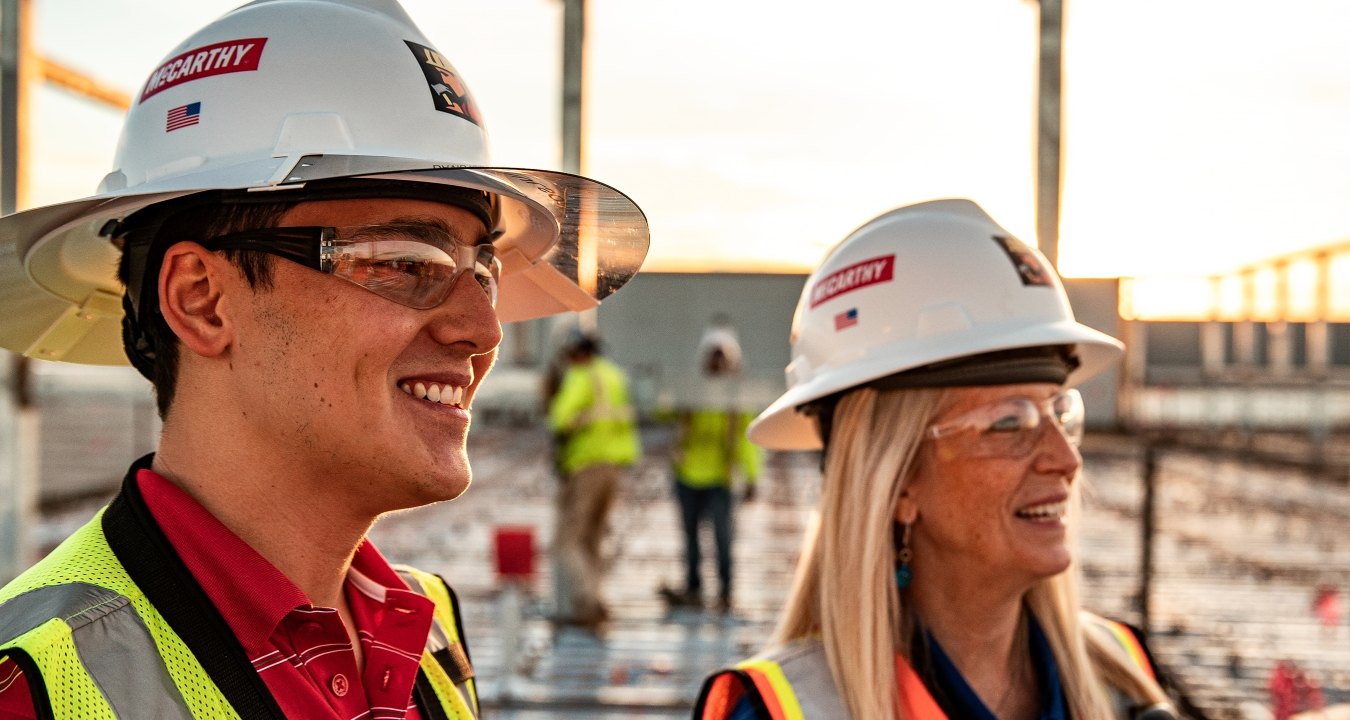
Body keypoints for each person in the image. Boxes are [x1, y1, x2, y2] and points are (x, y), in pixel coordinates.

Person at [0, 1, 648, 717]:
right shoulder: (36, 684)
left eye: (483, 273)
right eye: (407, 262)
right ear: (202, 300)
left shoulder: (425, 633)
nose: (482, 328)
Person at [694, 199, 1176, 719]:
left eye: (1061, 412)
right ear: (897, 483)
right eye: (1009, 422)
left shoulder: (1121, 680)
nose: (1065, 459)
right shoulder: (784, 711)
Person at [659, 321, 762, 612]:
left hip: (720, 479)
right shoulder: (692, 390)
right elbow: (663, 411)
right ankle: (694, 588)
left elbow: (747, 440)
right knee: (691, 539)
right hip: (688, 475)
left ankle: (725, 592)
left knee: (722, 539)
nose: (717, 364)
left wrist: (752, 477)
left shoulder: (736, 396)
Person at [547, 330, 641, 628]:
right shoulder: (613, 375)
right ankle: (597, 596)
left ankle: (588, 601)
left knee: (567, 541)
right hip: (614, 465)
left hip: (586, 463)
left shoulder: (580, 376)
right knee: (594, 539)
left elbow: (559, 418)